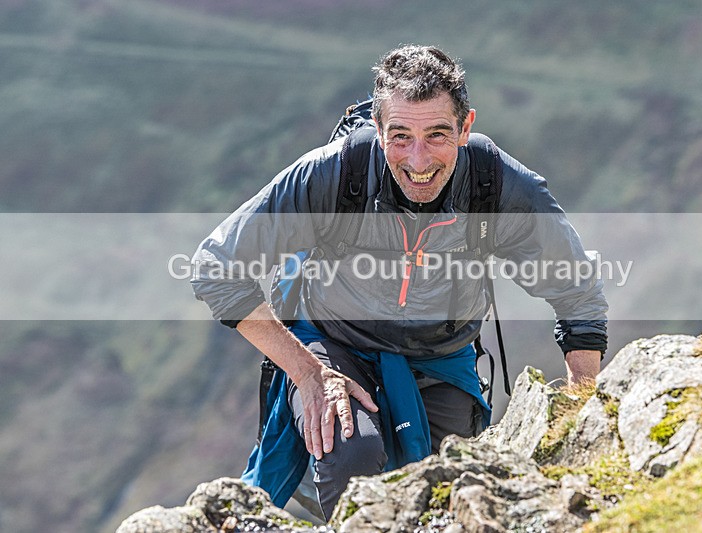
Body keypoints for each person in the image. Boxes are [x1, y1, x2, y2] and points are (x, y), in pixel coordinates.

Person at [190, 45, 608, 519]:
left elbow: (577, 289)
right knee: (353, 453)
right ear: (378, 129)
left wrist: (581, 413)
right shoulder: (334, 174)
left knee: (452, 488)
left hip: (442, 354)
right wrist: (307, 372)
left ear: (466, 127)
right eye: (400, 136)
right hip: (335, 340)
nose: (418, 159)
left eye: (437, 134)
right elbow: (215, 267)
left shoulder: (498, 186)